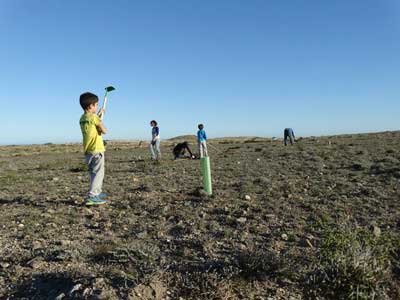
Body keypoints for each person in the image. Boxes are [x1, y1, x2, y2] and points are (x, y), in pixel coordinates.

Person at [79, 92, 108, 206]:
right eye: (96, 105)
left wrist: (99, 116)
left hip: (88, 151)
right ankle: (93, 196)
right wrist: (99, 118)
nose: (97, 107)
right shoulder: (94, 117)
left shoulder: (82, 118)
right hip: (97, 149)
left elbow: (93, 127)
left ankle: (97, 193)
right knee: (99, 173)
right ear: (91, 106)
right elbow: (103, 131)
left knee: (93, 173)